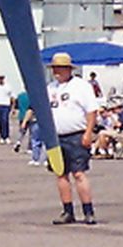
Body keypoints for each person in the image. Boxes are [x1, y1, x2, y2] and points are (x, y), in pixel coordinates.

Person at [43, 51, 101, 224]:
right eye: (54, 68)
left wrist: (88, 133)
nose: (57, 71)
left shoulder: (81, 86)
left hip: (76, 135)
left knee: (79, 173)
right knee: (60, 174)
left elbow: (91, 111)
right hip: (56, 137)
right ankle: (67, 211)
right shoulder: (50, 88)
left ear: (69, 69)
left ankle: (88, 211)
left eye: (60, 68)